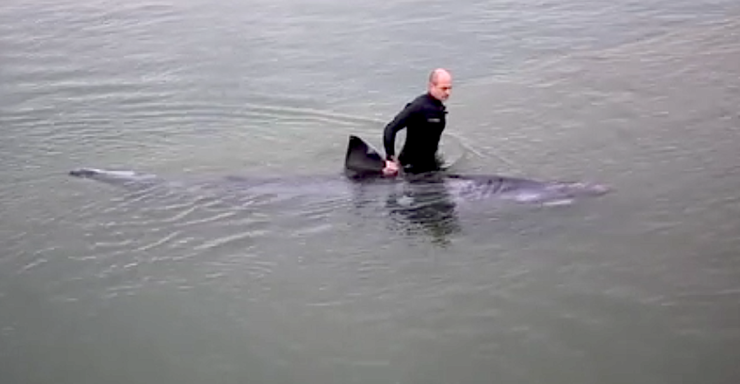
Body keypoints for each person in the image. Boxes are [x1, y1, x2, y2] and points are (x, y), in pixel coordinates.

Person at [382, 68, 453, 176]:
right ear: (431, 86)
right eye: (443, 88)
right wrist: (390, 159)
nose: (448, 93)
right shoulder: (418, 107)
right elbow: (390, 129)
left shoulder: (439, 108)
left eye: (449, 88)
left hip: (430, 165)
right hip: (410, 168)